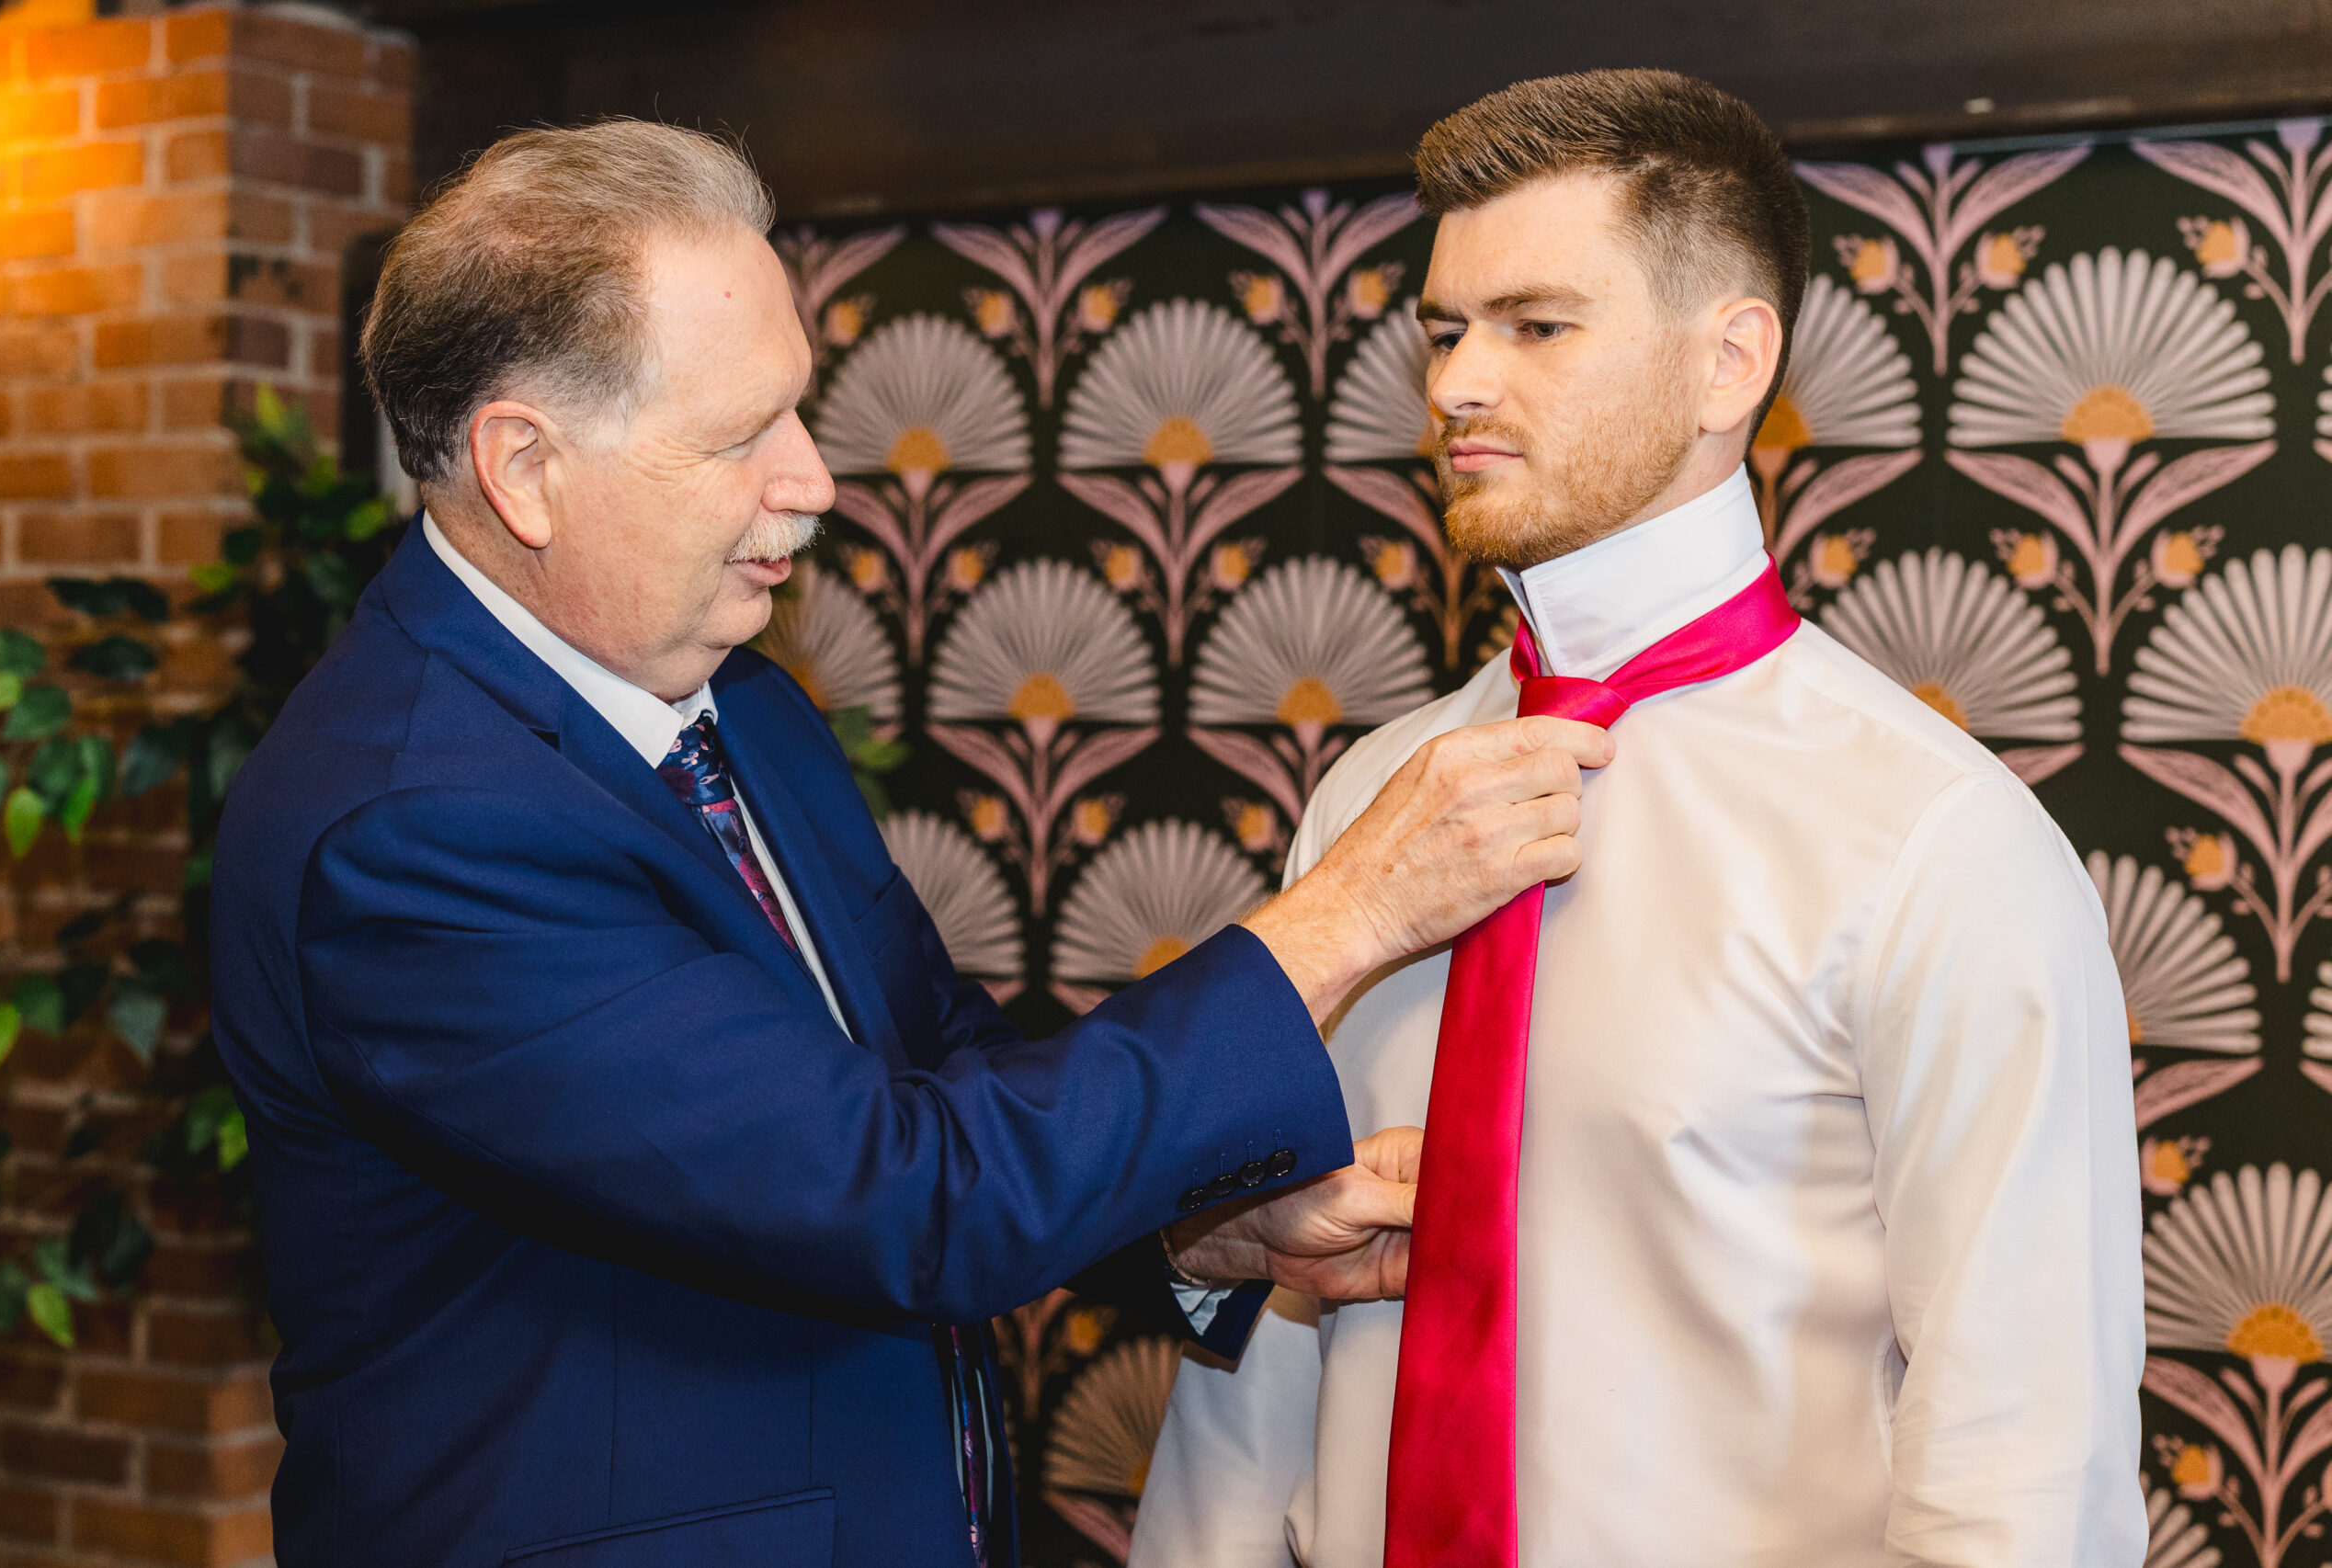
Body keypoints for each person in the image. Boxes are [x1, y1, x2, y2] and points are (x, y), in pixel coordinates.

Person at [209, 121, 1608, 1568]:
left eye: (797, 414)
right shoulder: (411, 830)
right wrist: (1349, 913)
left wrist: (1193, 1230)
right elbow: (902, 1196)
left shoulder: (735, 701)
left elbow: (937, 1063)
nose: (813, 481)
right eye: (743, 433)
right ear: (525, 467)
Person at [1134, 70, 2144, 1568]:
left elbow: (2021, 1455)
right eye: (1444, 328)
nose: (1457, 384)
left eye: (1536, 326)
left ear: (1730, 358)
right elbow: (1290, 1303)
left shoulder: (1932, 842)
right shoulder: (1374, 796)